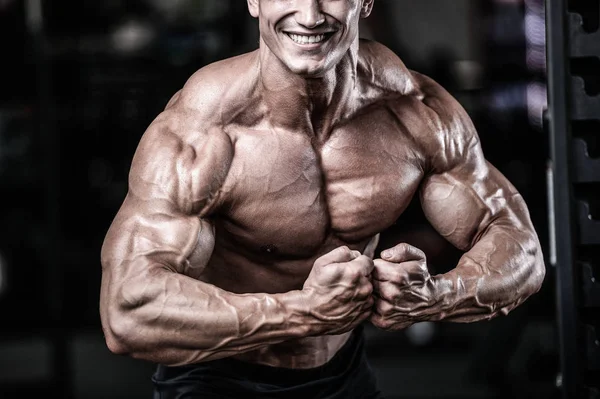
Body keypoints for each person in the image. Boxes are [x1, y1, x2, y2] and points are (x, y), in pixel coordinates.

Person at [99, 1, 546, 398]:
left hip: (343, 373)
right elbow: (127, 309)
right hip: (215, 378)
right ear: (254, 2)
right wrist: (302, 313)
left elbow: (520, 247)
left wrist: (439, 296)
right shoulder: (205, 132)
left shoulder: (414, 110)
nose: (310, 15)